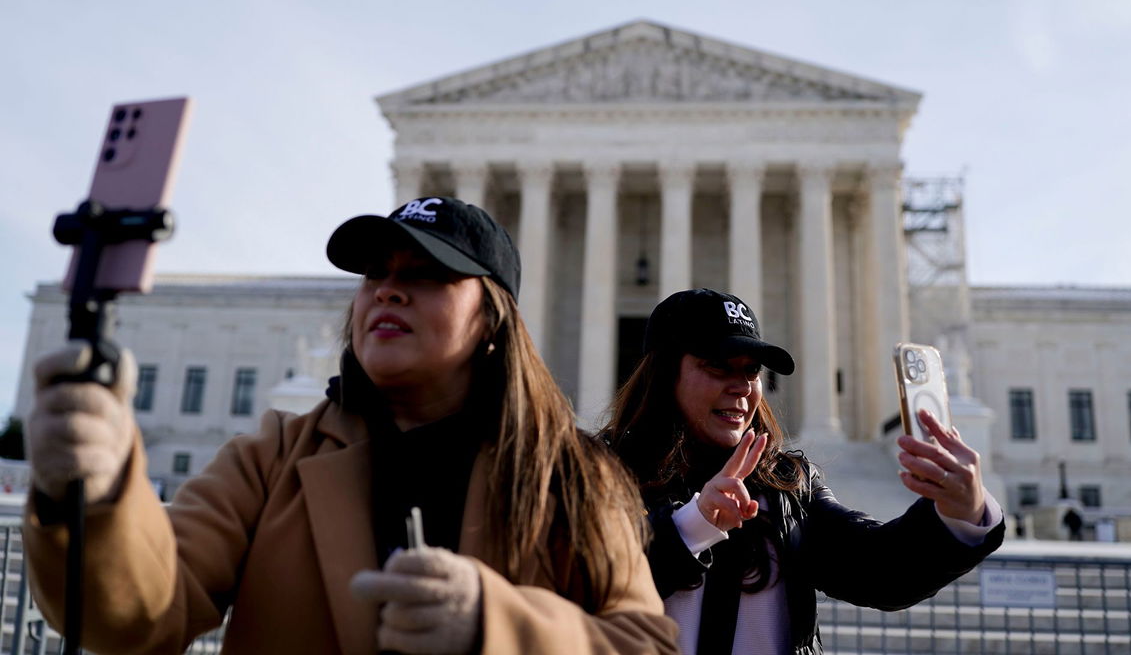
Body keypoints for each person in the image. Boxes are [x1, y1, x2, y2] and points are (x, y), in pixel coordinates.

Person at [24, 197, 679, 655]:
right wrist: (98, 497)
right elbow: (140, 613)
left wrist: (494, 627)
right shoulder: (273, 456)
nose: (388, 291)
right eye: (377, 274)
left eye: (426, 275)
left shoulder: (571, 477)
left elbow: (646, 644)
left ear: (491, 323)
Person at [601, 289, 1005, 655]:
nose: (742, 387)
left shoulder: (785, 484)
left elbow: (878, 571)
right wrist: (692, 525)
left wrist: (961, 513)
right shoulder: (599, 471)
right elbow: (579, 584)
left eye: (751, 371)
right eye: (718, 367)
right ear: (663, 374)